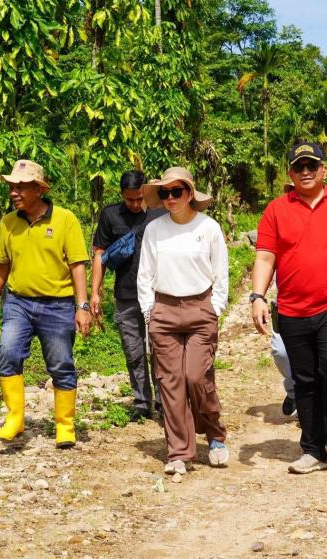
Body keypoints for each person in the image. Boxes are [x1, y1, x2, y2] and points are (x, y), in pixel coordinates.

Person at [251, 141, 327, 474]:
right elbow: (265, 255)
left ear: (323, 169)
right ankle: (313, 450)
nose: (305, 172)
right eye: (298, 167)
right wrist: (258, 296)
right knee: (305, 379)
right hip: (292, 309)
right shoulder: (277, 209)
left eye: (311, 166)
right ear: (290, 173)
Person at [0, 160, 91, 449]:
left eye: (20, 187)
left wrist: (82, 307)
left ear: (38, 189)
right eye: (12, 187)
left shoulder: (65, 219)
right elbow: (1, 266)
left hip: (57, 305)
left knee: (60, 363)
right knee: (7, 351)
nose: (14, 192)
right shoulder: (9, 222)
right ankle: (15, 419)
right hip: (18, 303)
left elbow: (78, 265)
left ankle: (65, 425)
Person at [138, 166, 229, 475]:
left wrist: (215, 308)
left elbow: (221, 274)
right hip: (164, 310)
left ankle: (214, 433)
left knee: (196, 376)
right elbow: (144, 275)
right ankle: (179, 451)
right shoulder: (154, 229)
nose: (170, 198)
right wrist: (150, 313)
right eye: (164, 193)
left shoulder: (209, 228)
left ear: (190, 193)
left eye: (176, 192)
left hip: (200, 308)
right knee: (170, 383)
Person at [91, 170, 165, 421]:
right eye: (129, 199)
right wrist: (95, 292)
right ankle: (141, 401)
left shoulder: (160, 212)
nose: (135, 204)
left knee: (159, 351)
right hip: (126, 295)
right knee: (133, 351)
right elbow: (99, 253)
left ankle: (164, 402)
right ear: (121, 195)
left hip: (158, 295)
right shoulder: (111, 215)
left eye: (139, 198)